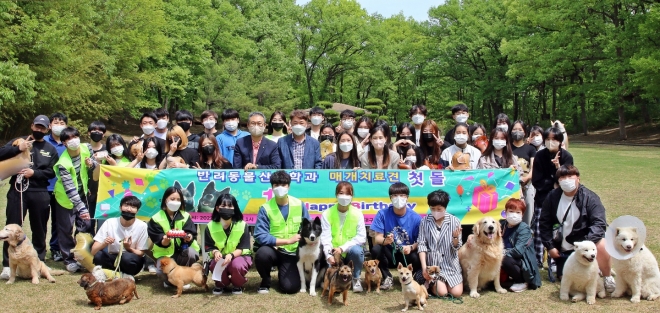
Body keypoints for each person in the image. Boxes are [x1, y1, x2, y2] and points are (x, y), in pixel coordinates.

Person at [538, 165, 614, 292]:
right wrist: (550, 246)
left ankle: (607, 276)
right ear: (558, 180)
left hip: (585, 244)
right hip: (564, 248)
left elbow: (599, 223)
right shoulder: (552, 197)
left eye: (570, 176)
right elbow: (544, 223)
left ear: (578, 178)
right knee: (566, 279)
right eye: (562, 177)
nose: (566, 180)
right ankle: (593, 268)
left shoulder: (590, 197)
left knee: (602, 244)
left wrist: (584, 245)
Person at [0, 115, 59, 279]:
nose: (39, 130)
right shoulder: (18, 141)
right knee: (12, 227)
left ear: (47, 129)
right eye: (37, 126)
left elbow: (52, 172)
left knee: (39, 227)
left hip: (40, 191)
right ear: (32, 126)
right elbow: (1, 154)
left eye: (42, 128)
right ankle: (7, 264)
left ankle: (39, 261)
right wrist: (17, 149)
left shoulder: (50, 149)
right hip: (18, 190)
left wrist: (35, 173)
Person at [253, 170, 312, 294]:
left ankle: (284, 272)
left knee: (290, 288)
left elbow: (308, 227)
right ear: (272, 187)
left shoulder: (299, 205)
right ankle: (266, 280)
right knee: (262, 254)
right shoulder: (265, 208)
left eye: (283, 185)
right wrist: (285, 241)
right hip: (273, 250)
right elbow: (259, 234)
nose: (280, 188)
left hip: (293, 253)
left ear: (288, 187)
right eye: (276, 185)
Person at [53, 126, 99, 272]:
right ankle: (68, 258)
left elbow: (95, 167)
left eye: (75, 137)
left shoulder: (87, 148)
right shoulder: (63, 163)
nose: (73, 141)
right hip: (65, 198)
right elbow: (69, 188)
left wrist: (93, 164)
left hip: (83, 193)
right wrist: (81, 207)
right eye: (68, 139)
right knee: (66, 228)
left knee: (84, 225)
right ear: (64, 143)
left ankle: (81, 255)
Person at [531, 127, 573, 267]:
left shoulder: (567, 156)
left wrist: (558, 168)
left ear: (560, 141)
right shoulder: (540, 156)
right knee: (538, 229)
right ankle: (537, 259)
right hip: (542, 199)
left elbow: (567, 180)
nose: (550, 142)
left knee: (557, 230)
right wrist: (553, 183)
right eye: (547, 139)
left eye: (554, 139)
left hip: (560, 200)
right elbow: (537, 181)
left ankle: (556, 260)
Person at [369, 182, 422, 290]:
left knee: (417, 256)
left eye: (402, 195)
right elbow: (377, 237)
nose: (399, 198)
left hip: (406, 253)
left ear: (407, 198)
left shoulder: (416, 218)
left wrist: (411, 247)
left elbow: (420, 241)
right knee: (376, 249)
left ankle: (411, 276)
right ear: (390, 198)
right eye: (395, 195)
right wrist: (386, 240)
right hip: (389, 253)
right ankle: (387, 277)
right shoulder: (382, 214)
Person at [148, 186, 200, 287]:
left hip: (183, 252)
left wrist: (188, 237)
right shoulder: (156, 218)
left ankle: (184, 279)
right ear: (165, 200)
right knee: (161, 271)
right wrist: (165, 240)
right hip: (165, 254)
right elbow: (157, 239)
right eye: (172, 199)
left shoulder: (186, 216)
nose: (175, 202)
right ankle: (169, 281)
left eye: (178, 199)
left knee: (192, 253)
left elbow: (191, 233)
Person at [320, 181, 366, 292]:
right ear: (336, 195)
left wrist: (342, 248)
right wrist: (329, 255)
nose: (344, 197)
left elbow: (361, 237)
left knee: (357, 251)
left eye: (348, 194)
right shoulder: (327, 213)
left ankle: (355, 279)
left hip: (349, 252)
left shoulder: (357, 213)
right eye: (341, 193)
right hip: (334, 253)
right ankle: (333, 280)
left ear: (352, 196)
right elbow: (325, 238)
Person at [417, 190, 463, 297]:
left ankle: (444, 283)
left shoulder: (454, 221)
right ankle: (429, 284)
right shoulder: (424, 221)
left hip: (450, 264)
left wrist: (455, 238)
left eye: (439, 209)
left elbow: (457, 247)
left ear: (445, 208)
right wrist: (425, 268)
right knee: (442, 293)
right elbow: (422, 245)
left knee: (456, 293)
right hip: (433, 265)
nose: (435, 211)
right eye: (432, 209)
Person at [91, 195, 148, 279]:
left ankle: (126, 275)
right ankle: (113, 274)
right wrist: (104, 243)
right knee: (99, 255)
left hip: (130, 260)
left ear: (137, 211)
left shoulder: (142, 226)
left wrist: (128, 248)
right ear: (120, 208)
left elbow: (141, 253)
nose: (129, 209)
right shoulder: (109, 222)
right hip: (113, 257)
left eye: (133, 207)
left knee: (126, 257)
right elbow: (93, 251)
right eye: (126, 205)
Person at [205, 194, 252, 295]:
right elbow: (209, 246)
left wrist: (231, 255)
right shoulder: (210, 226)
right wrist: (215, 252)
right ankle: (221, 284)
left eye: (230, 206)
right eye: (223, 206)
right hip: (220, 257)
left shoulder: (242, 225)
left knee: (237, 265)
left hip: (239, 256)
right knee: (214, 264)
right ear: (217, 208)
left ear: (234, 208)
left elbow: (243, 247)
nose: (227, 209)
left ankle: (237, 284)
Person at [499, 198, 541, 292]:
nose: (514, 215)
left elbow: (518, 251)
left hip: (522, 262)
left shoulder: (524, 229)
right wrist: (471, 236)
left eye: (518, 212)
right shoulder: (502, 225)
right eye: (511, 211)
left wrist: (500, 252)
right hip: (505, 257)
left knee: (504, 259)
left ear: (522, 214)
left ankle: (522, 281)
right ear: (505, 212)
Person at [44, 112, 68, 262]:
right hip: (44, 187)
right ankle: (38, 248)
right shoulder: (43, 141)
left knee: (58, 221)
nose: (58, 126)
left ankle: (56, 248)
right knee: (40, 220)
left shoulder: (68, 142)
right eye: (56, 122)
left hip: (62, 188)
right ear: (49, 125)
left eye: (62, 123)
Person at [511, 120, 536, 224]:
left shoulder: (530, 149)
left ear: (524, 132)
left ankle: (527, 230)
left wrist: (526, 178)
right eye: (514, 129)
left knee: (529, 206)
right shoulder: (507, 148)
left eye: (520, 129)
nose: (517, 132)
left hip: (527, 184)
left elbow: (533, 167)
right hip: (512, 184)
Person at [87, 121, 108, 232]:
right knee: (87, 222)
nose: (97, 132)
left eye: (100, 131)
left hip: (104, 192)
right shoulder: (83, 149)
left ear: (103, 134)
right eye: (94, 130)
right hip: (87, 190)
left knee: (102, 223)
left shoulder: (108, 150)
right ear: (88, 133)